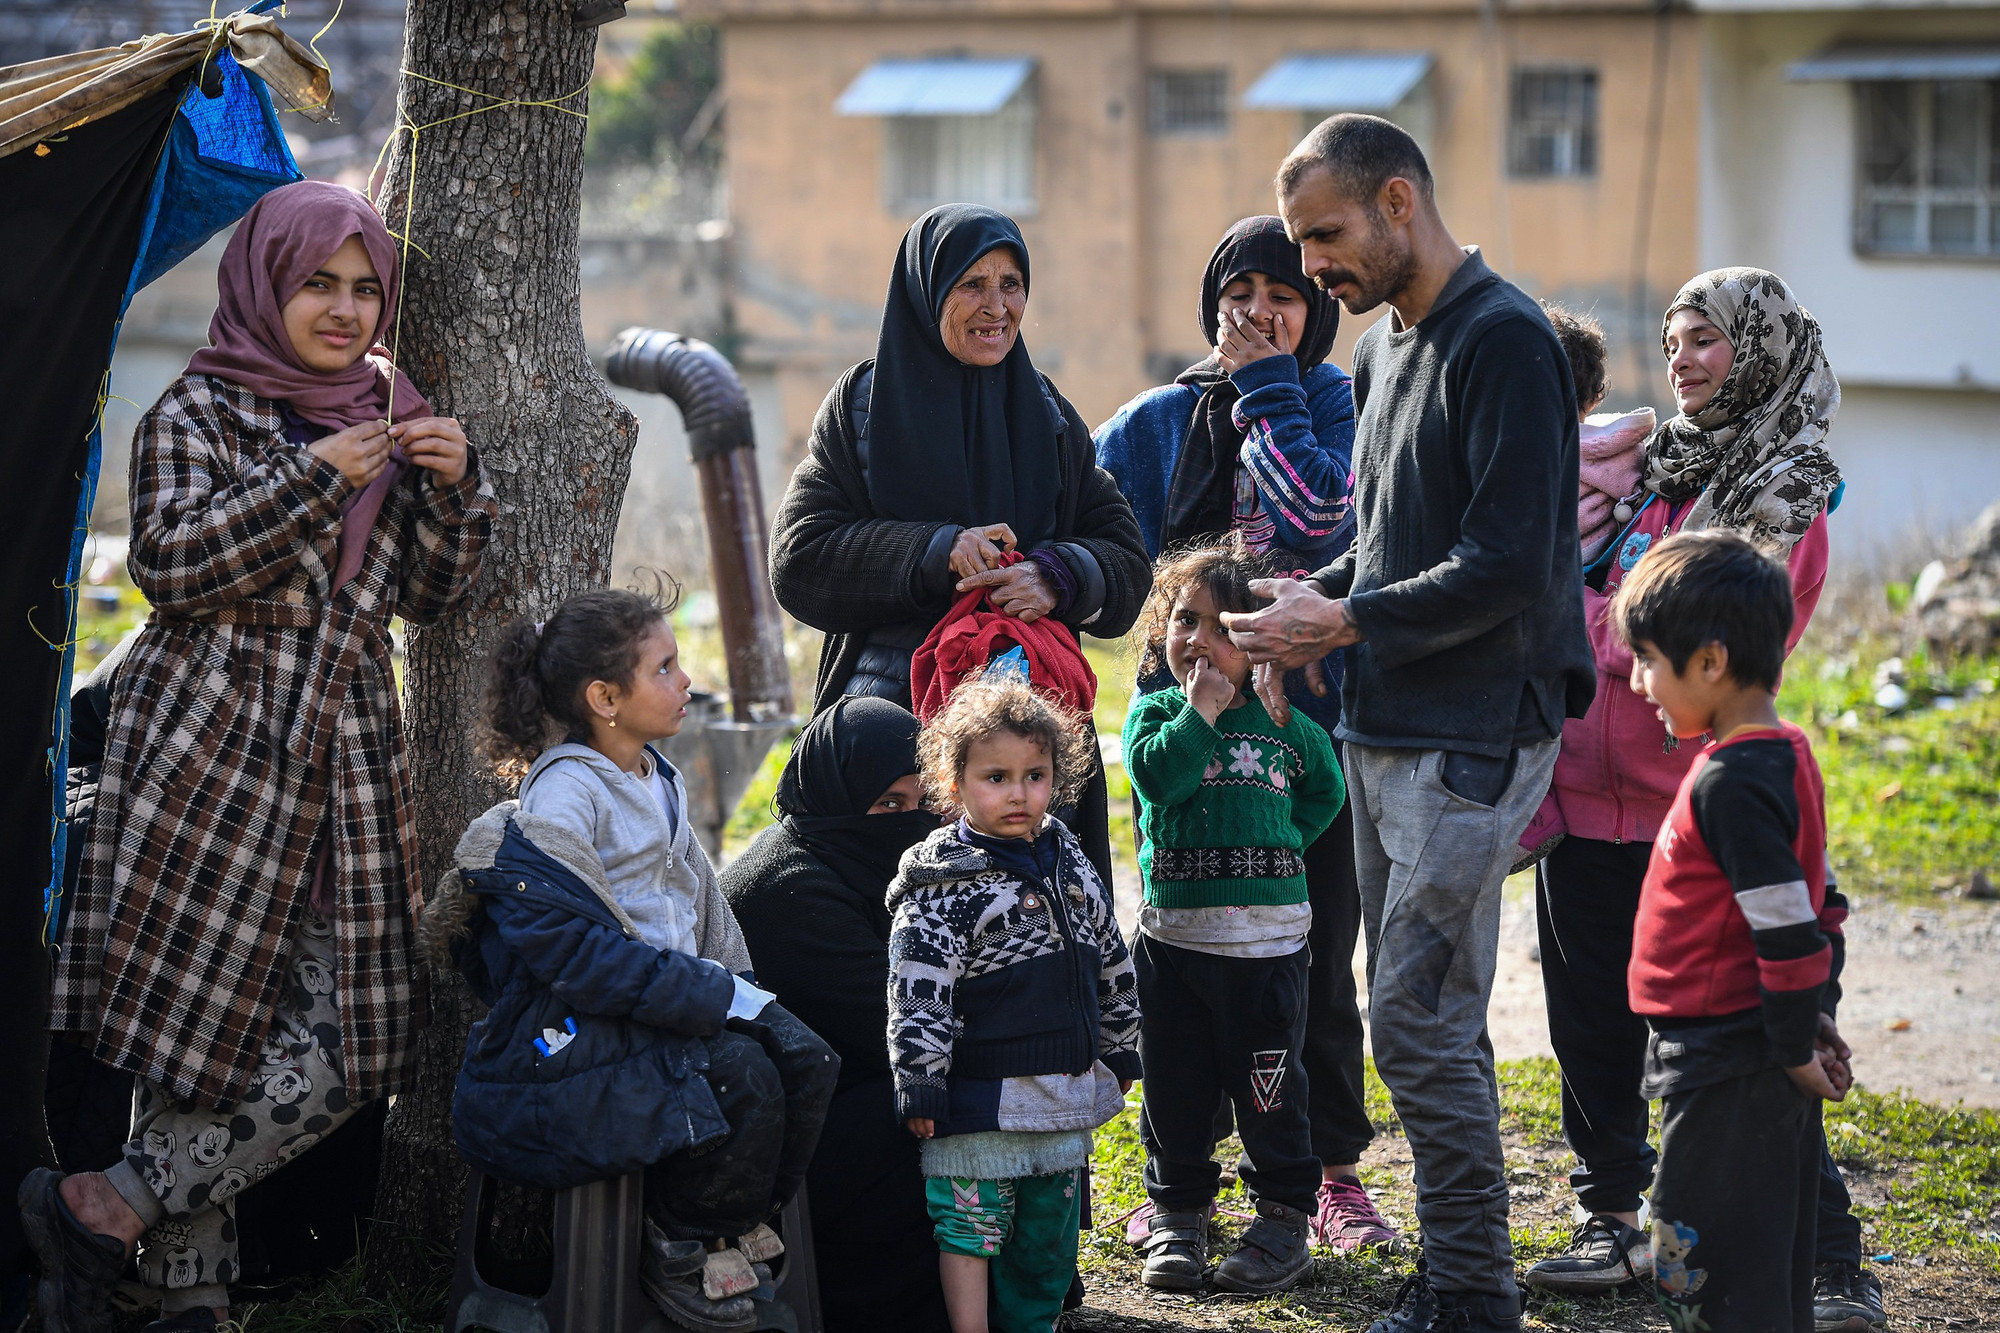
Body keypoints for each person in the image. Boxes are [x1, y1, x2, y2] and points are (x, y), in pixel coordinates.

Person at [27, 180, 496, 1333]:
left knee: (359, 1036)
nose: (344, 310)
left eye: (364, 289)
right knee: (193, 1024)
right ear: (263, 285)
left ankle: (108, 1205)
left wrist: (454, 490)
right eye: (316, 284)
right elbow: (172, 564)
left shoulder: (390, 407)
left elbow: (425, 594)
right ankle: (186, 1296)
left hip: (344, 748)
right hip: (209, 736)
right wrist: (313, 477)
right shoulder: (196, 409)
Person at [1222, 114, 1595, 1333]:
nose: (1310, 266)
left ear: (1397, 201)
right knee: (1428, 1016)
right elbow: (1379, 550)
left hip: (1473, 733)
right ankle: (1461, 1278)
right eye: (1298, 240)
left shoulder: (1505, 340)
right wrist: (1291, 609)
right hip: (1382, 728)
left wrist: (1339, 620)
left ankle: (1472, 1296)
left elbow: (1506, 565)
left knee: (1414, 1022)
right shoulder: (1383, 349)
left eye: (1323, 235)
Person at [1524, 269, 1860, 1312]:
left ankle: (1827, 1257)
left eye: (1705, 339)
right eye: (1672, 342)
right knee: (1591, 1029)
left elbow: (1695, 641)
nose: (1682, 360)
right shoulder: (1646, 471)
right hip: (1584, 797)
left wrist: (1580, 625)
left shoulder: (1786, 491)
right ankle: (1613, 1218)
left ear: (1759, 352)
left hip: (1691, 807)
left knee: (1735, 1042)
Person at [1096, 215, 1394, 1255]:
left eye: (1284, 297)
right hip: (1184, 733)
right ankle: (1182, 1179)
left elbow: (1320, 523)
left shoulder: (1337, 405)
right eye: (1239, 299)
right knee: (1181, 958)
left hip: (1305, 728)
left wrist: (1267, 388)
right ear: (1209, 309)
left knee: (1313, 955)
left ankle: (1330, 1173)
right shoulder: (1157, 422)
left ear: (1316, 312)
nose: (1260, 315)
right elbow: (1097, 540)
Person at [441, 585, 839, 1333]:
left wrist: (737, 987)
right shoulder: (566, 791)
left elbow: (696, 898)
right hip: (583, 1021)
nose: (686, 680)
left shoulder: (658, 775)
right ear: (605, 698)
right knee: (744, 1076)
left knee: (806, 1059)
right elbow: (568, 949)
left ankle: (739, 1215)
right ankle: (677, 1236)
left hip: (669, 997)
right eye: (663, 668)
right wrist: (703, 997)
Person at [769, 204, 1151, 883]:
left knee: (1033, 920)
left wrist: (1056, 575)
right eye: (972, 285)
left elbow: (1124, 557)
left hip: (1034, 734)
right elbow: (799, 558)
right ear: (927, 290)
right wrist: (935, 550)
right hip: (897, 731)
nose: (996, 307)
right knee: (908, 916)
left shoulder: (1048, 415)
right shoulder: (863, 409)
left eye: (1012, 284)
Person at [1609, 529, 1851, 1332]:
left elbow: (1790, 929)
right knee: (1762, 1261)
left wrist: (1793, 1042)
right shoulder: (1781, 756)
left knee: (1697, 1263)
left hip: (1731, 1061)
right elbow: (1822, 904)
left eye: (1649, 660)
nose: (1637, 680)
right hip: (1750, 1049)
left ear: (1710, 661)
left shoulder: (1734, 781)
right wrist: (1813, 1019)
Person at [1123, 541, 1345, 1294]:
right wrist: (1201, 712)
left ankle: (1283, 1218)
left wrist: (1279, 849)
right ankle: (1179, 1213)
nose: (1199, 639)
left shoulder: (1286, 725)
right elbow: (1161, 779)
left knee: (1270, 1089)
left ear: (1258, 643)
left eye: (1223, 627)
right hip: (1175, 947)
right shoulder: (1157, 714)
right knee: (1175, 1087)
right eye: (1185, 620)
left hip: (1268, 949)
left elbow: (1325, 792)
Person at [887, 678, 1141, 1333]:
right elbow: (917, 989)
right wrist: (920, 1078)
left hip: (1060, 1094)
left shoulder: (1068, 859)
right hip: (976, 1101)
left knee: (1047, 1241)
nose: (1019, 794)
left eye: (1035, 776)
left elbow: (1109, 955)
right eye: (996, 777)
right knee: (969, 1228)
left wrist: (1120, 1042)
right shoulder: (941, 884)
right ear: (954, 782)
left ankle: (1032, 1324)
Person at [721, 698, 952, 1333]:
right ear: (834, 798)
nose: (914, 823)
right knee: (936, 1109)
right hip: (774, 1143)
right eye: (890, 805)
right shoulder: (793, 890)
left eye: (925, 801)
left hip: (829, 1089)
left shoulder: (848, 862)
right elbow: (906, 1031)